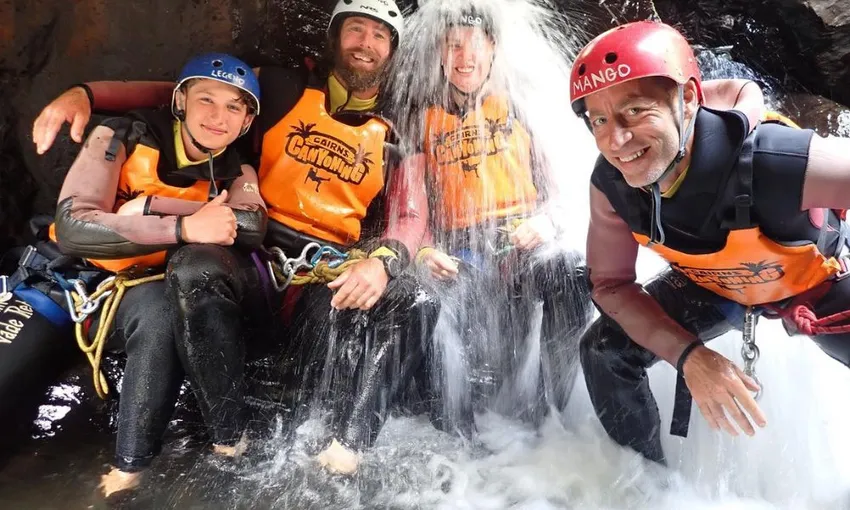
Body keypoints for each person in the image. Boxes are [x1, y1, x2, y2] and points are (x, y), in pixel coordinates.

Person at [32, 0, 439, 476]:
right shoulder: (282, 86)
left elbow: (411, 214)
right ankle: (230, 438)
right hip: (254, 255)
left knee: (415, 299)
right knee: (194, 267)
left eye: (379, 36)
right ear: (334, 37)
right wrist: (88, 94)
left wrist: (385, 260)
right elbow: (191, 91)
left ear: (393, 52)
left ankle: (345, 449)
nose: (365, 44)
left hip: (326, 268)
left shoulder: (401, 130)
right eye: (355, 30)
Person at [570, 20, 850, 464]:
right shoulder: (611, 186)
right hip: (713, 287)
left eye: (636, 111)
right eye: (599, 120)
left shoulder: (774, 161)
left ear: (687, 99)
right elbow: (610, 286)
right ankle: (646, 487)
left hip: (817, 286)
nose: (615, 140)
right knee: (605, 351)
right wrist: (690, 356)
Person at [51, 53, 267, 496]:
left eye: (233, 107)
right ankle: (128, 467)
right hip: (83, 277)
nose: (217, 116)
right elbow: (74, 224)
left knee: (161, 315)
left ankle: (130, 467)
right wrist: (182, 226)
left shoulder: (237, 167)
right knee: (155, 317)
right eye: (206, 98)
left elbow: (249, 225)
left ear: (246, 121)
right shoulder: (120, 134)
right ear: (181, 101)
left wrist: (151, 208)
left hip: (151, 286)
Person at [390, 5, 594, 431]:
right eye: (454, 46)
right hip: (462, 249)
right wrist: (424, 250)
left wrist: (547, 224)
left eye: (475, 45)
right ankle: (456, 434)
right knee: (434, 304)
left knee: (571, 273)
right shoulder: (419, 119)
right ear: (441, 55)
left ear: (493, 48)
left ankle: (550, 416)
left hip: (521, 243)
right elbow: (412, 204)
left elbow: (565, 192)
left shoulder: (521, 107)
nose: (465, 57)